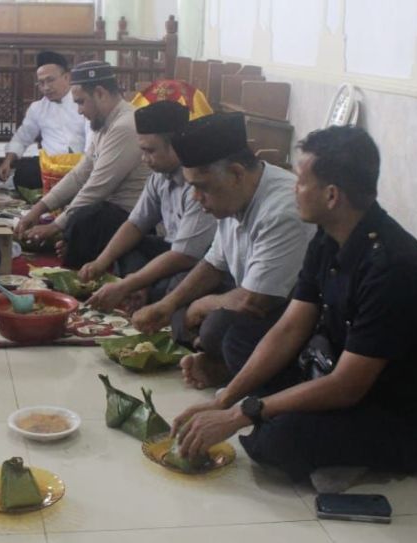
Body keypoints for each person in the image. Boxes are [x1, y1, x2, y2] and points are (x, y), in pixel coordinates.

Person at [169, 126, 417, 488]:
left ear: (331, 195)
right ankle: (319, 432)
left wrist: (242, 413)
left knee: (275, 439)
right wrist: (225, 400)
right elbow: (290, 327)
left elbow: (347, 386)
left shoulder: (394, 268)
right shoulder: (328, 237)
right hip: (336, 369)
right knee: (240, 341)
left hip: (399, 414)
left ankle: (352, 454)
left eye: (301, 182)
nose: (293, 189)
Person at [131, 112, 313, 389]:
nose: (196, 198)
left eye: (201, 188)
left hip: (292, 316)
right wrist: (168, 305)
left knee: (220, 328)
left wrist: (201, 305)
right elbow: (214, 263)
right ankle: (215, 359)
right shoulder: (233, 195)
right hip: (252, 294)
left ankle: (229, 371)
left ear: (236, 173)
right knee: (176, 297)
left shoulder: (281, 210)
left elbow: (255, 301)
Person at [80, 100, 216, 311]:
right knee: (126, 245)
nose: (144, 159)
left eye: (150, 151)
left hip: (198, 261)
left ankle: (139, 291)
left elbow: (185, 256)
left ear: (176, 146)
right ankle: (138, 290)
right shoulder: (159, 176)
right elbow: (135, 224)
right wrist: (100, 263)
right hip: (171, 249)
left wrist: (130, 283)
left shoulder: (199, 184)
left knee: (170, 288)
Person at [15, 61, 150, 269]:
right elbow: (80, 173)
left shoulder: (124, 126)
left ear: (100, 93)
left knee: (83, 219)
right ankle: (68, 243)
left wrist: (54, 227)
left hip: (129, 218)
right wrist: (37, 210)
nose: (79, 111)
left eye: (80, 102)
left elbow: (97, 187)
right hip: (108, 210)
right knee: (75, 216)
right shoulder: (104, 123)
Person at [0, 51, 87, 190]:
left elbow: (94, 142)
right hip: (50, 166)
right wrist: (7, 161)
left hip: (81, 165)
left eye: (50, 80)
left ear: (67, 77)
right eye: (41, 82)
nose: (46, 87)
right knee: (24, 174)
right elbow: (22, 137)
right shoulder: (37, 108)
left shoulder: (84, 103)